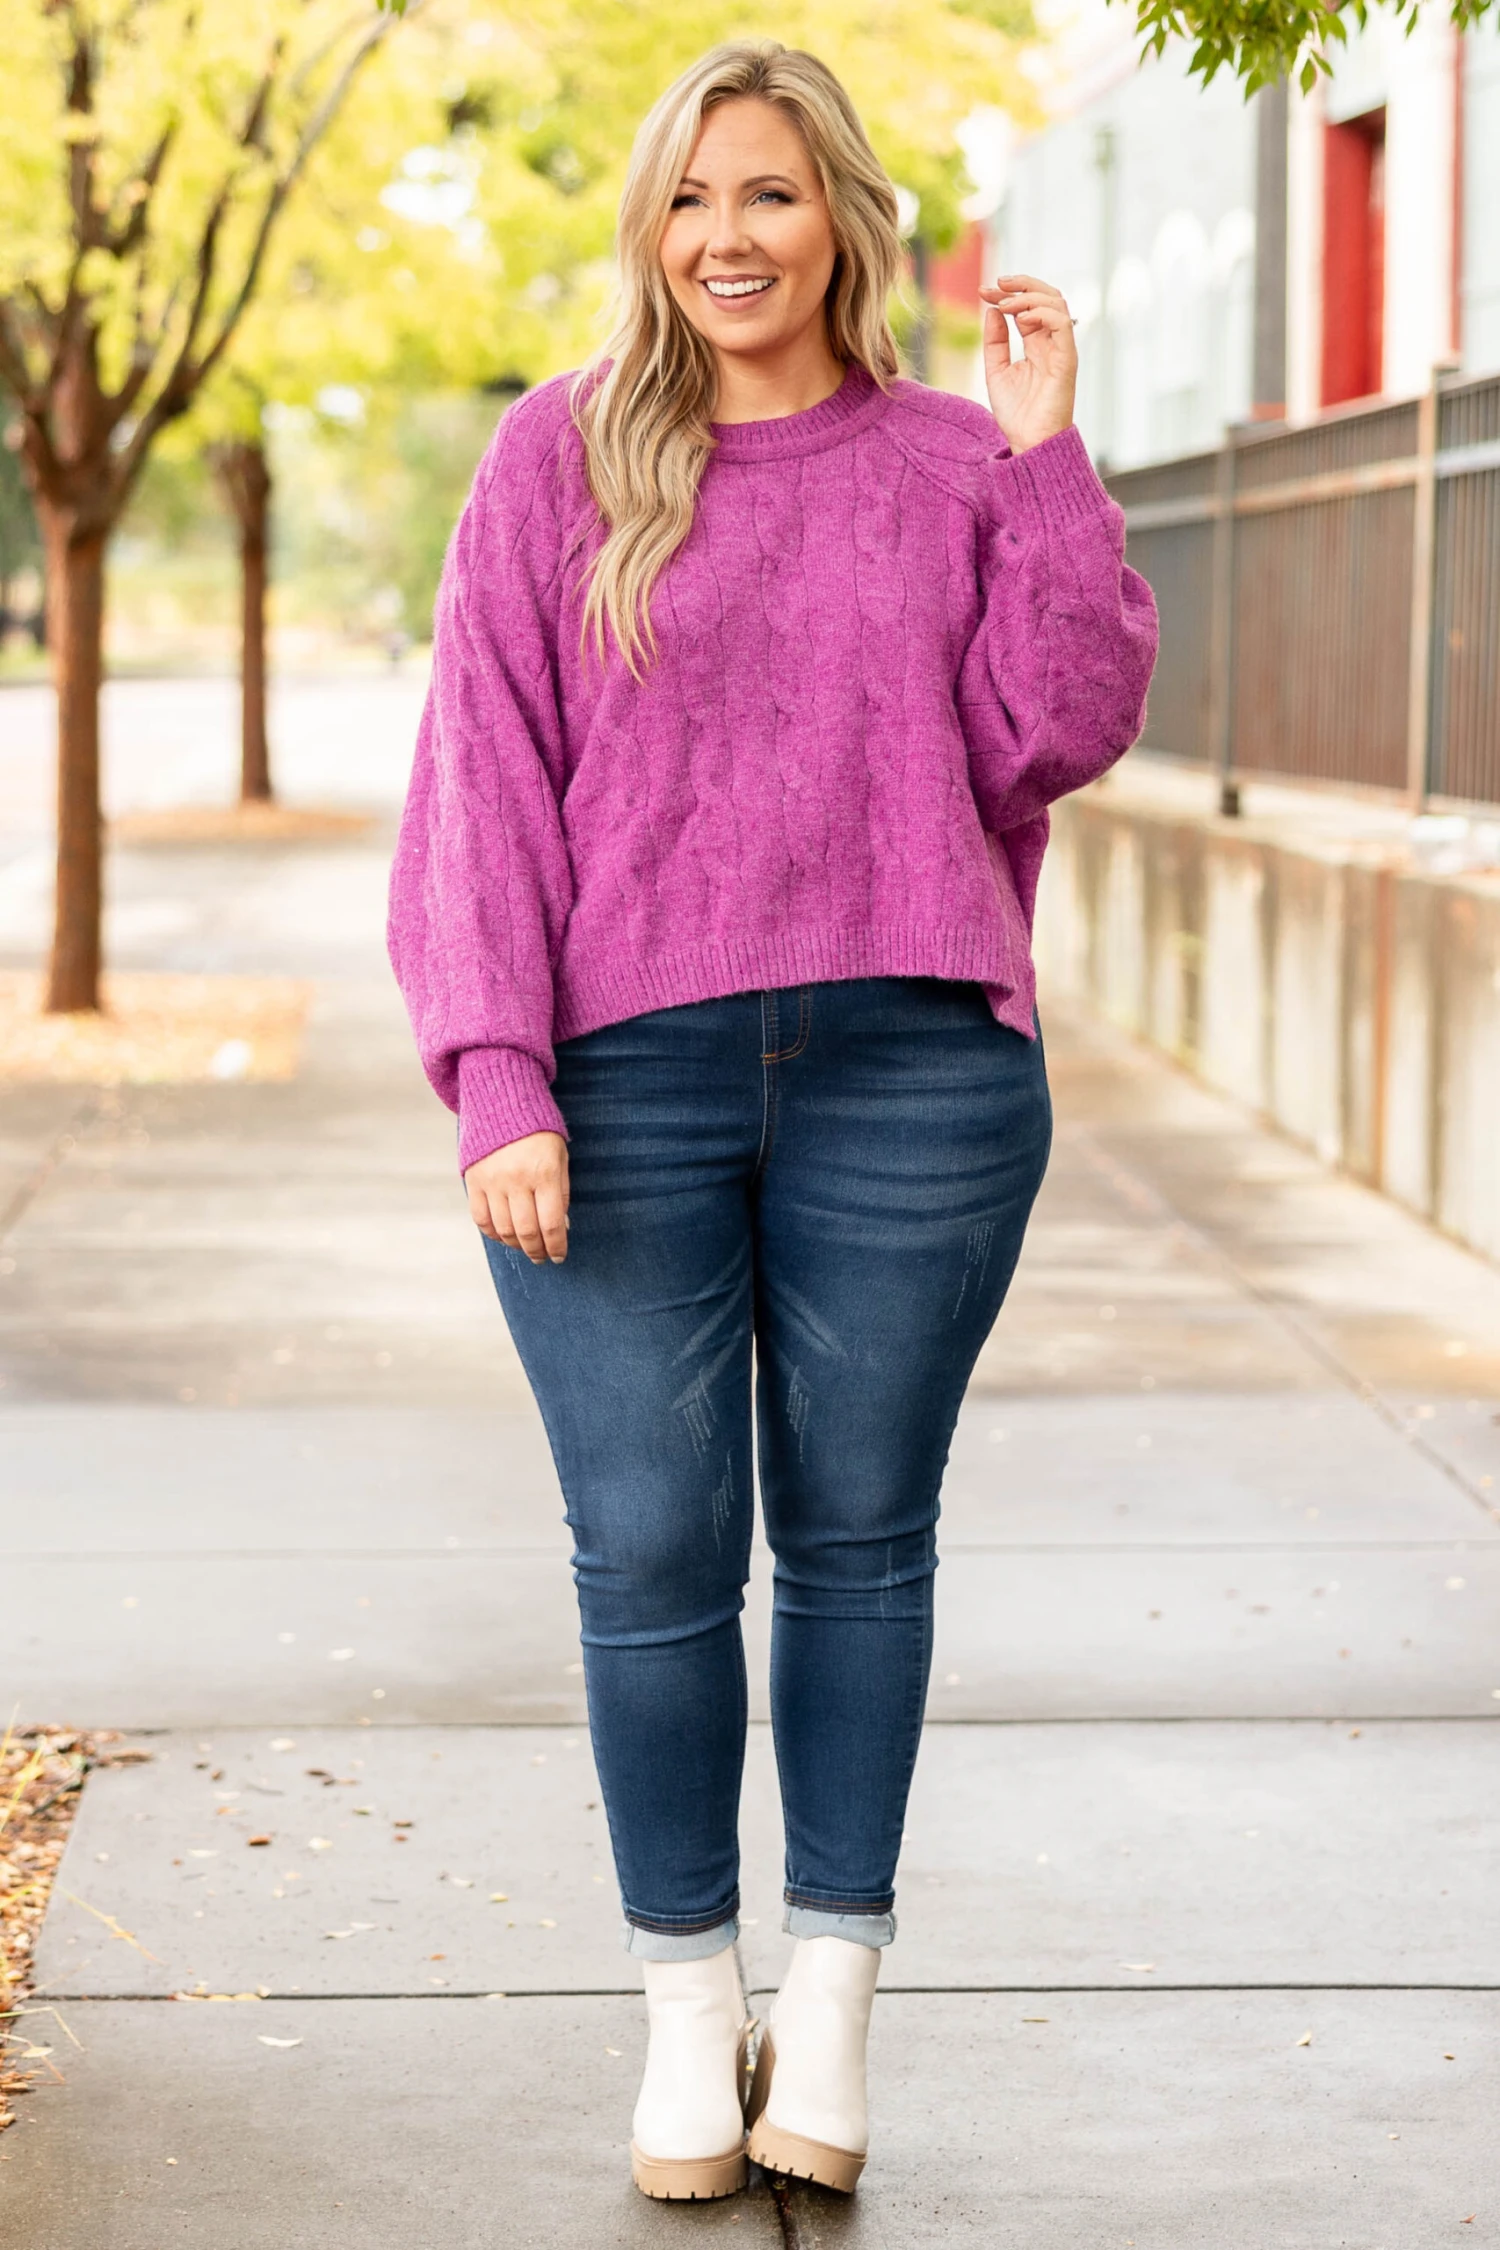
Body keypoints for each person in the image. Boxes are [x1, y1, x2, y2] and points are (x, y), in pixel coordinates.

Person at [388, 37, 1156, 2204]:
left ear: (842, 222)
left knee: (859, 1540)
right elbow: (479, 784)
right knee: (648, 1550)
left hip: (916, 1070)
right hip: (617, 1078)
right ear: (652, 227)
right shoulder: (559, 457)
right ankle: (680, 2014)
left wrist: (1049, 461)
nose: (727, 238)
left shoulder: (949, 459)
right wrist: (498, 1074)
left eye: (771, 195)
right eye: (691, 198)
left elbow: (1064, 727)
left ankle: (828, 2009)